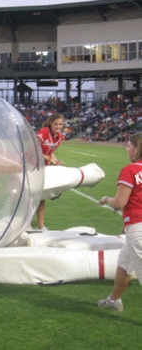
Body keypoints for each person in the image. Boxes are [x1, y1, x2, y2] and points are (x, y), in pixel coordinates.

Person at [97, 133, 142, 312]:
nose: (126, 149)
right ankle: (114, 300)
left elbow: (120, 202)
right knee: (124, 263)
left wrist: (107, 199)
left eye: (128, 146)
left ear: (137, 148)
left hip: (138, 226)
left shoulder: (131, 169)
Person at [34, 113, 65, 230]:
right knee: (30, 196)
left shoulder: (60, 137)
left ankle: (40, 226)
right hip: (31, 165)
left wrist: (56, 161)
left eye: (60, 124)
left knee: (41, 196)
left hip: (43, 167)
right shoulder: (44, 131)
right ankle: (25, 223)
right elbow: (33, 146)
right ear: (51, 123)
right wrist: (48, 159)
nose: (58, 126)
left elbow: (50, 152)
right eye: (56, 124)